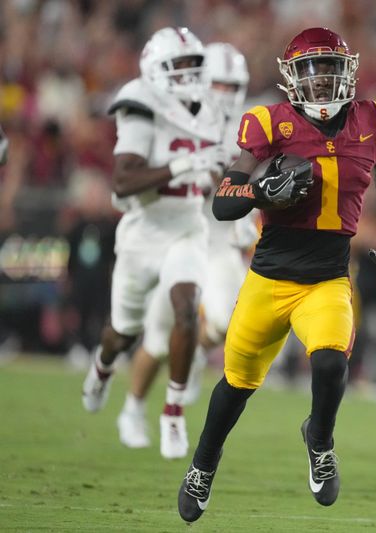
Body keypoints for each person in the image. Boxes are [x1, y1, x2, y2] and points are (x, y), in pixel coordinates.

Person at [177, 27, 376, 522]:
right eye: (311, 69)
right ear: (292, 77)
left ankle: (320, 442)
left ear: (346, 71)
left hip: (327, 277)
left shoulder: (372, 120)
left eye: (330, 68)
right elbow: (223, 203)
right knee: (235, 386)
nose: (322, 79)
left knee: (330, 364)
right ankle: (203, 466)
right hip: (269, 279)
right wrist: (265, 192)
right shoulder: (268, 123)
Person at [80, 27, 227, 460]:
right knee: (122, 333)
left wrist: (219, 172)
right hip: (144, 233)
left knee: (186, 308)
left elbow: (216, 177)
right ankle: (103, 367)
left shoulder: (211, 109)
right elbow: (124, 181)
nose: (188, 75)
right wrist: (183, 164)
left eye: (193, 66)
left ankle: (173, 412)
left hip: (186, 228)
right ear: (155, 69)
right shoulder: (141, 101)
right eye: (178, 66)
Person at [115, 42, 256, 450]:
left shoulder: (250, 127)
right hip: (180, 235)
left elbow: (248, 185)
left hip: (219, 243)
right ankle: (133, 406)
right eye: (220, 85)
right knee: (159, 338)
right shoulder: (172, 118)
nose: (226, 95)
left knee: (228, 321)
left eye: (235, 86)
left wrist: (249, 219)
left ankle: (192, 358)